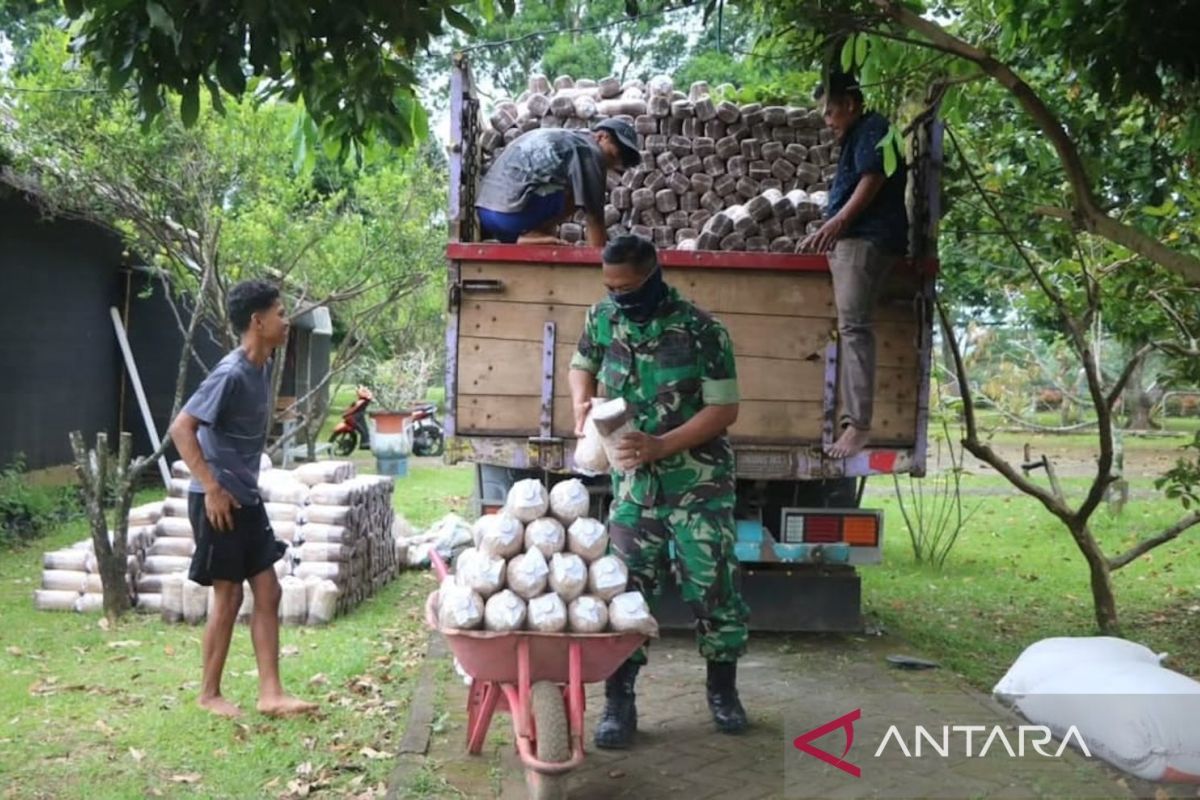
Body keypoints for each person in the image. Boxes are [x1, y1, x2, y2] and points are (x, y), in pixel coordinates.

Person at [568, 234, 751, 748]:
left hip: (699, 486)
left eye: (627, 287)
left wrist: (660, 446)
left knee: (714, 588)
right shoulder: (603, 317)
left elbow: (724, 410)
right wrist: (581, 403)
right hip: (634, 489)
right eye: (610, 287)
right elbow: (581, 364)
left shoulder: (701, 331)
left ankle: (723, 693)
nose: (618, 296)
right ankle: (619, 705)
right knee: (623, 592)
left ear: (652, 275)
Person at [167, 279, 318, 720]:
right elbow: (182, 428)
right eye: (280, 312)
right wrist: (212, 487)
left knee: (267, 590)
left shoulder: (262, 366)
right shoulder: (231, 372)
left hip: (244, 497)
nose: (286, 321)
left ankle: (271, 694)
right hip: (218, 500)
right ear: (258, 320)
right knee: (229, 595)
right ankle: (208, 694)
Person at [800, 71, 909, 459]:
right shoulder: (859, 133)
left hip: (867, 241)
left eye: (831, 113)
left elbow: (873, 177)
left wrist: (838, 222)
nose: (828, 122)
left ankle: (859, 425)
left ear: (850, 104)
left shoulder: (873, 128)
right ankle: (855, 422)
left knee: (854, 327)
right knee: (851, 326)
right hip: (857, 240)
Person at [476, 118, 641, 247]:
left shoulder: (565, 138)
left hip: (486, 212)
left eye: (621, 161)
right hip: (510, 216)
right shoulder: (589, 151)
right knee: (583, 191)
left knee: (562, 182)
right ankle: (533, 233)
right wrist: (599, 266)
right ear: (601, 136)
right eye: (615, 154)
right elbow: (595, 219)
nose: (613, 163)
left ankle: (526, 238)